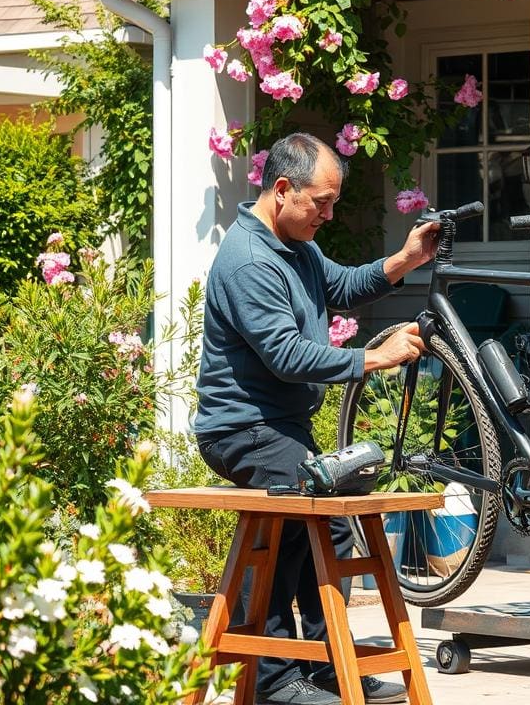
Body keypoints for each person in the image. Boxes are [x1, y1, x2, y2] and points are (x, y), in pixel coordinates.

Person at [195, 132, 437, 705]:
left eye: (332, 203)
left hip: (279, 428)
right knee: (296, 522)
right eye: (321, 203)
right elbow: (286, 356)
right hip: (241, 429)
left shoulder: (296, 247)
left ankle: (327, 664)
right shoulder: (249, 260)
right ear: (282, 190)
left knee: (328, 523)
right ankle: (273, 679)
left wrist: (407, 259)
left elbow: (344, 285)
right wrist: (374, 357)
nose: (328, 214)